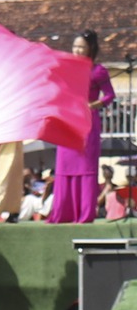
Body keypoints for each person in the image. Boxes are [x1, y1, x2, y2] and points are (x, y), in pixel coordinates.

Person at [49, 31, 116, 225]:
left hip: (87, 123)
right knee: (64, 166)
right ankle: (63, 212)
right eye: (75, 46)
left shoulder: (98, 71)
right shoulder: (67, 68)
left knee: (85, 167)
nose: (77, 50)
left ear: (91, 49)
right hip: (68, 121)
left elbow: (110, 95)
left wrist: (94, 105)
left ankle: (84, 214)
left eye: (81, 47)